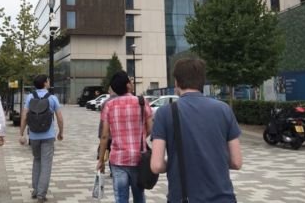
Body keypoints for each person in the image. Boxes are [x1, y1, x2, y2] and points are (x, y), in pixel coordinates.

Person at [150, 54, 243, 203]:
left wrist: (175, 163)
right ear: (202, 81)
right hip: (223, 198)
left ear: (177, 81)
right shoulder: (224, 109)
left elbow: (156, 165)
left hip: (183, 198)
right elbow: (237, 162)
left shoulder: (165, 113)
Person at [97, 71, 152, 203]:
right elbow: (150, 128)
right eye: (130, 81)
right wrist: (139, 137)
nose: (132, 83)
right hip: (139, 158)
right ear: (128, 85)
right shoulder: (142, 102)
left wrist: (101, 159)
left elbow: (104, 136)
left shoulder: (109, 105)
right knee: (139, 197)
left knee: (121, 198)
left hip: (118, 160)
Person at [19, 74, 64, 203]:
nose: (49, 82)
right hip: (48, 136)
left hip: (33, 135)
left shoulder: (30, 97)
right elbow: (60, 118)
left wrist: (21, 133)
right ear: (45, 83)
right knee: (46, 164)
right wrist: (61, 132)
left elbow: (24, 116)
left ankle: (35, 189)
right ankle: (41, 194)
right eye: (48, 80)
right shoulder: (52, 98)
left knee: (37, 161)